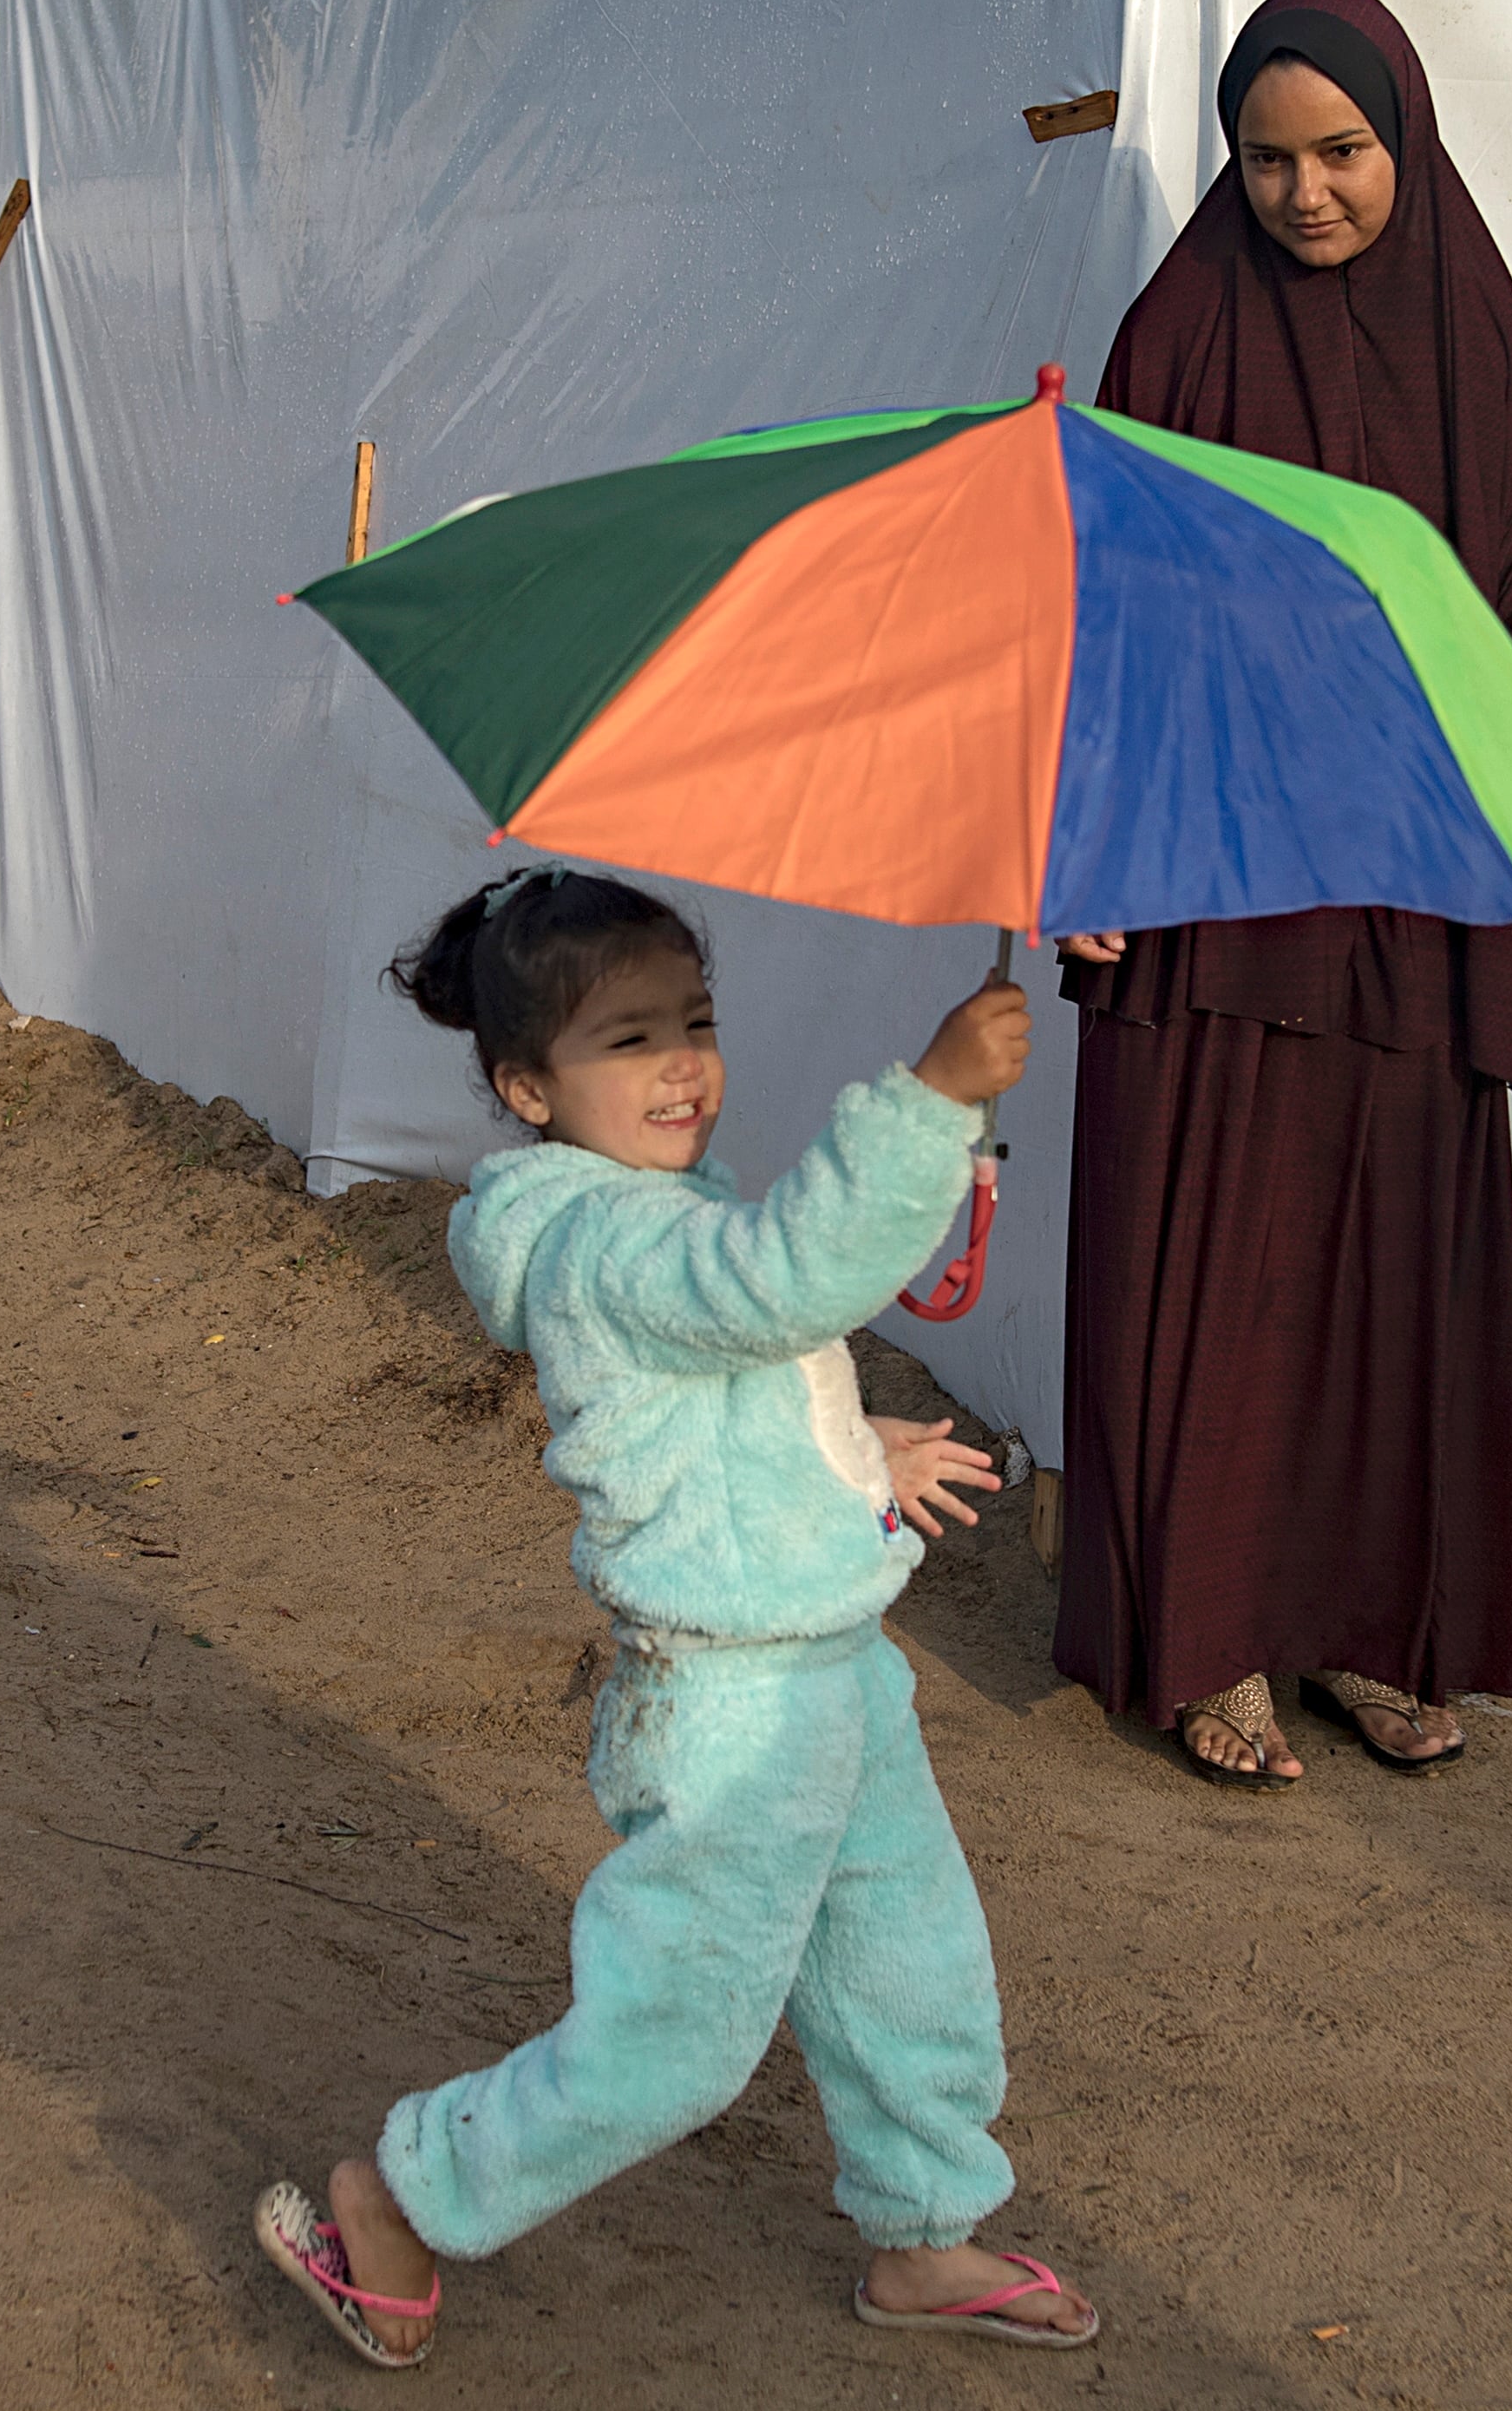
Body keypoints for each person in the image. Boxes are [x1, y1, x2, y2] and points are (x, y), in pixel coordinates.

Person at [252, 867, 1100, 2369]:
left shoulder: (655, 1207)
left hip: (833, 1666)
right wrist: (925, 1102)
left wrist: (858, 1456)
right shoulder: (594, 1239)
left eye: (693, 1020)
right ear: (526, 1085)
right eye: (627, 1037)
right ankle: (392, 2197)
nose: (681, 1062)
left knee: (908, 1962)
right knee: (677, 2038)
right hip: (726, 1707)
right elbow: (774, 1286)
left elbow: (737, 1390)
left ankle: (920, 2228)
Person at [1052, 0, 1512, 1791]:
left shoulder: (1477, 344)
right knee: (1213, 1250)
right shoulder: (1180, 330)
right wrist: (1096, 842)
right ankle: (1205, 1643)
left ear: (1403, 142)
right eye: (1265, 158)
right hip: (1216, 866)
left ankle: (1373, 1636)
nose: (1302, 194)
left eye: (1340, 154)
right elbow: (1110, 613)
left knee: (1388, 1264)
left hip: (1413, 869)